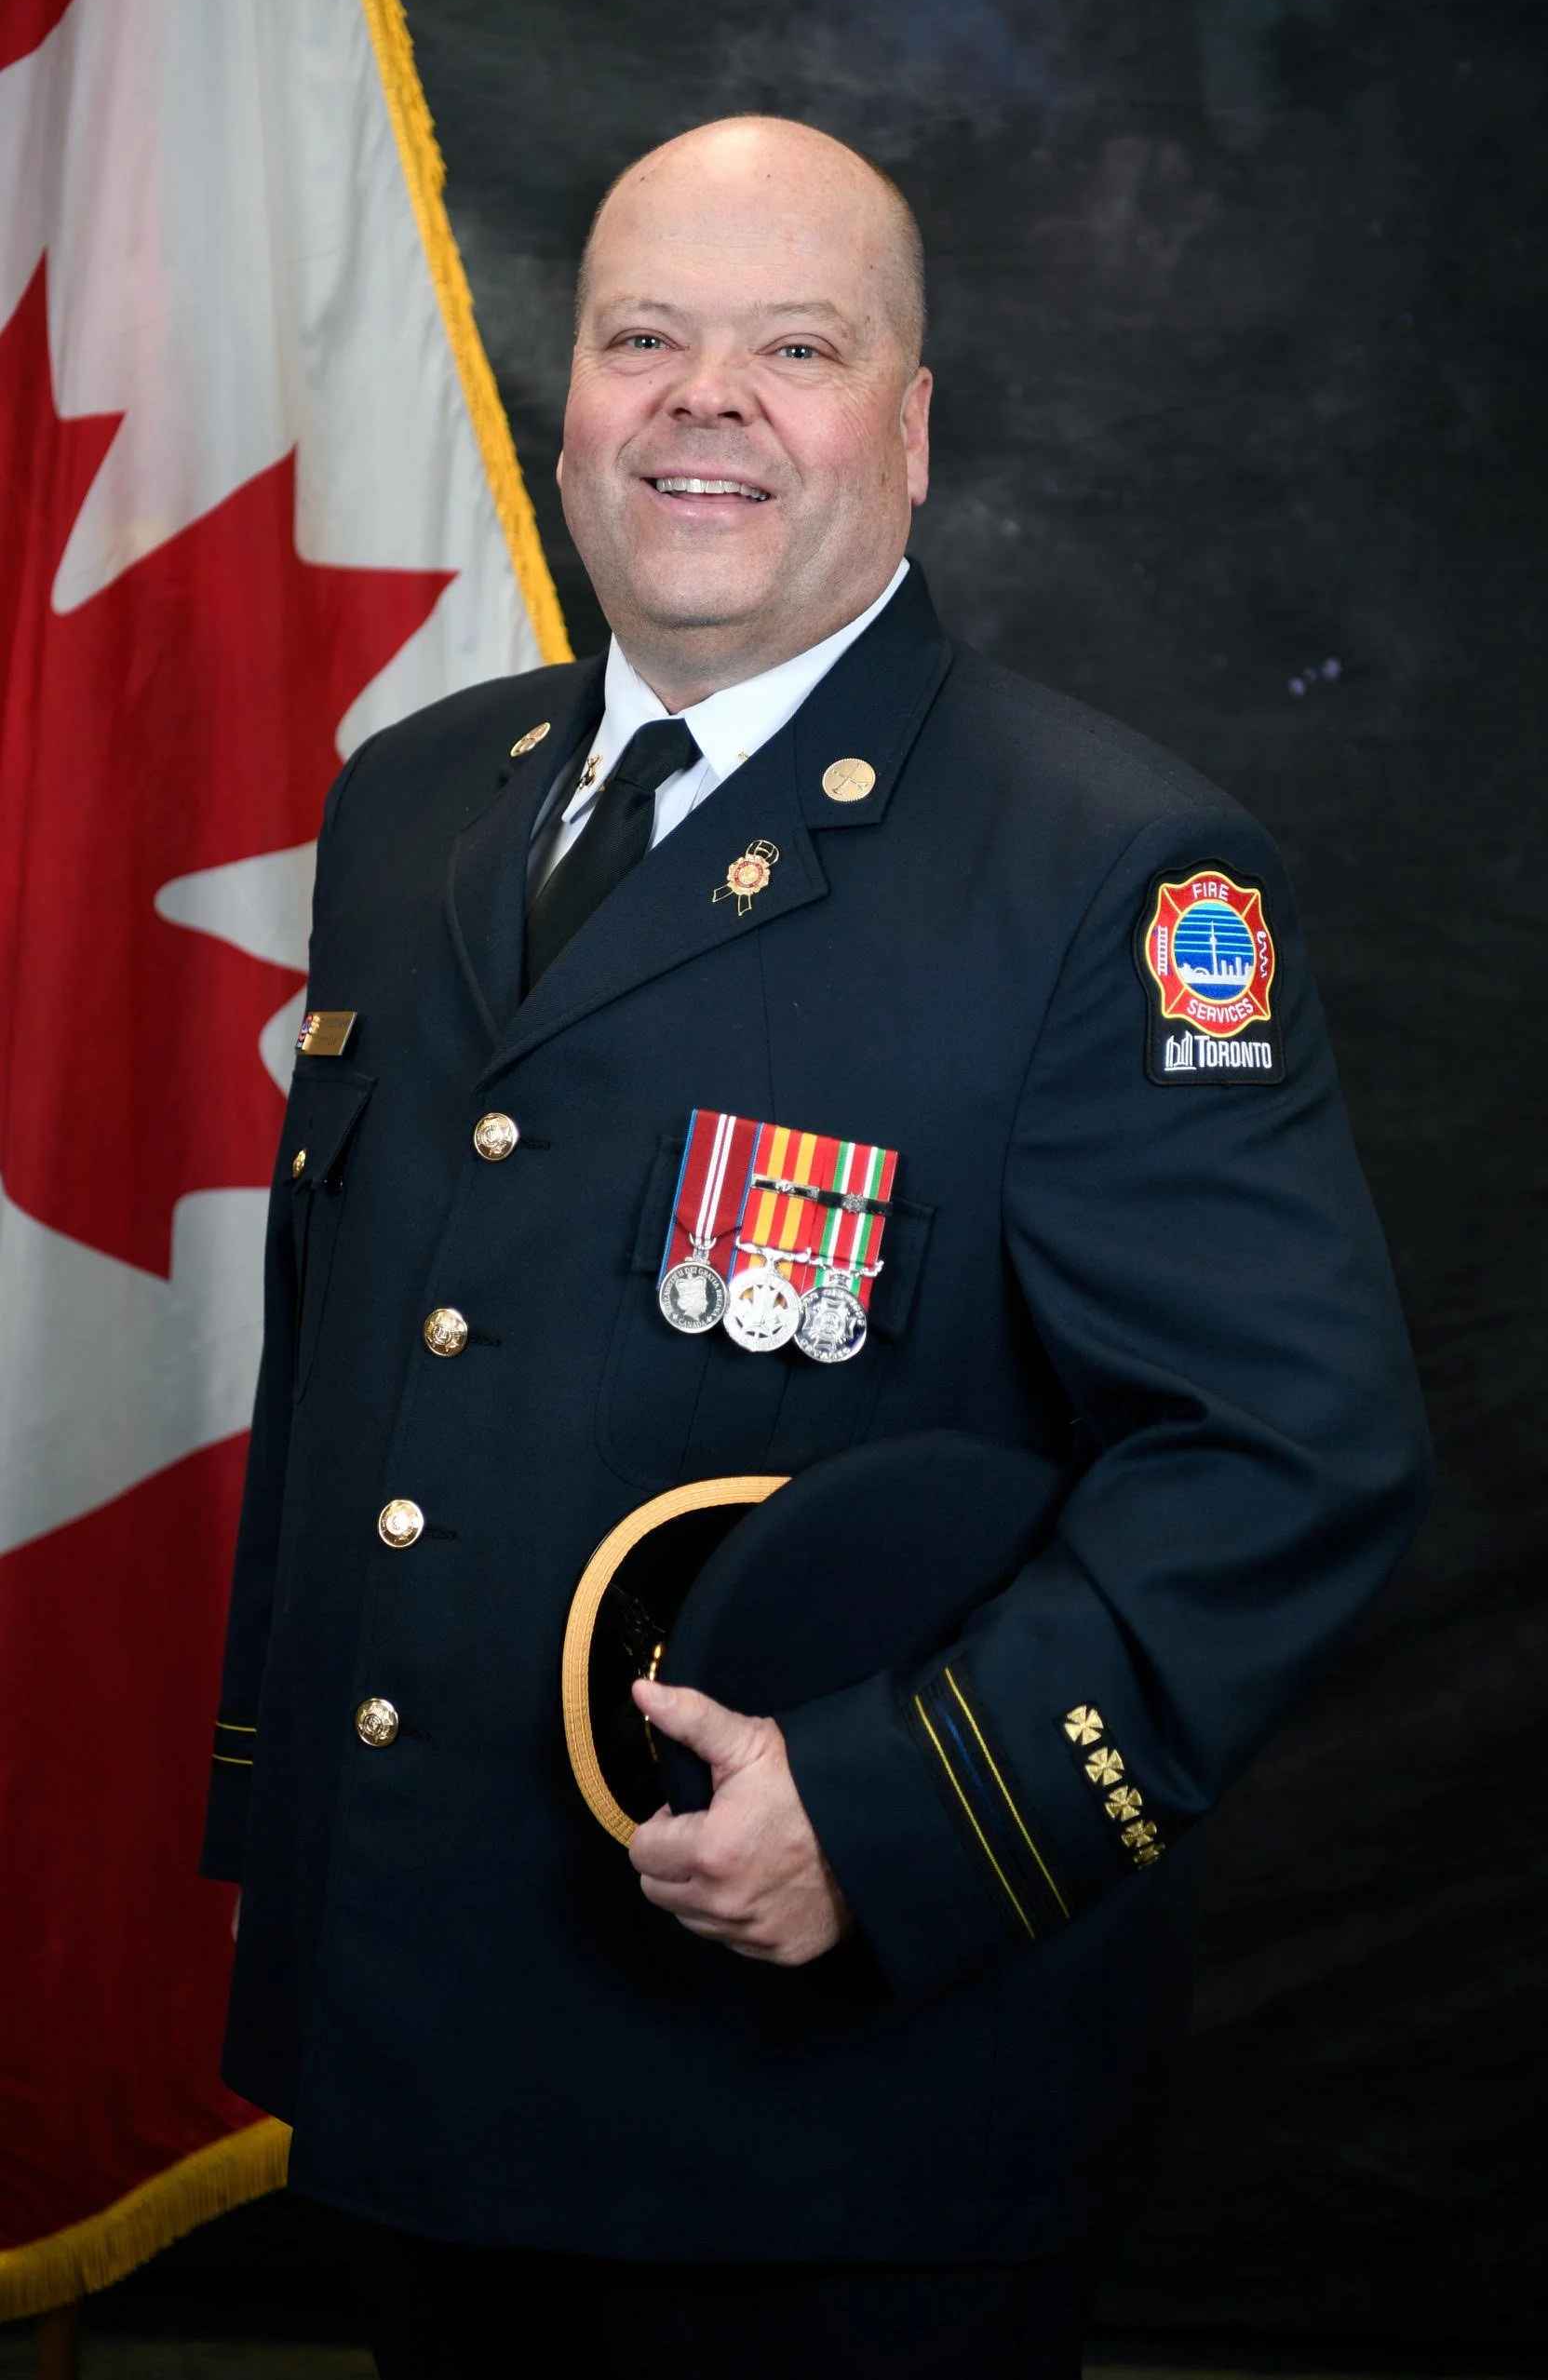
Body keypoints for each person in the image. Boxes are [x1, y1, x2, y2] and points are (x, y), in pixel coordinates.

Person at [201, 117, 1430, 2378]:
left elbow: (1290, 1452)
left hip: (839, 2125)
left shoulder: (1111, 870)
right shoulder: (417, 799)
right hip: (419, 2046)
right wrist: (281, 1820)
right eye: (642, 340)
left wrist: (901, 1815)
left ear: (914, 427)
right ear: (569, 397)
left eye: (797, 349)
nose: (705, 402)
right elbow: (359, 1353)